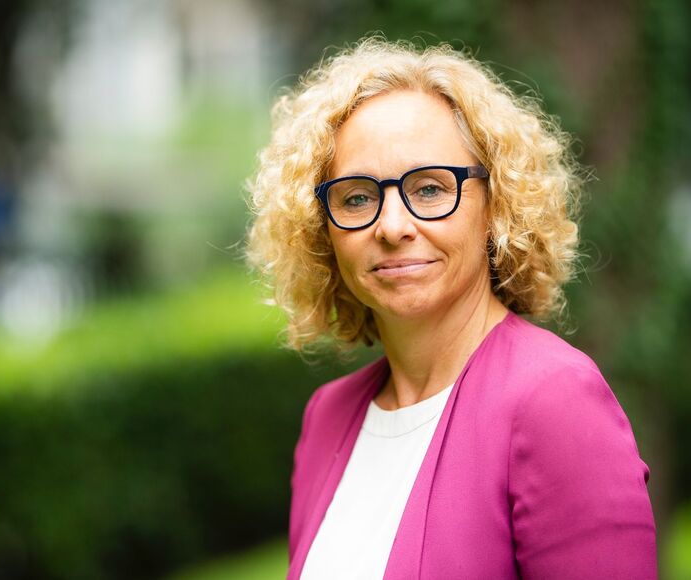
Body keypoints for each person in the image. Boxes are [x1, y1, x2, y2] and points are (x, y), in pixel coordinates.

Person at [246, 38, 657, 579]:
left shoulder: (554, 401)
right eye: (357, 197)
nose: (392, 226)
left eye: (430, 189)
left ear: (496, 206)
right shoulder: (328, 417)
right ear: (322, 230)